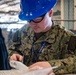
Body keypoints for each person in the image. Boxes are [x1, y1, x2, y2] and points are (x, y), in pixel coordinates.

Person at [8, 0, 76, 74]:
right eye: (29, 20)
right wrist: (13, 56)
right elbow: (13, 49)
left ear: (50, 13)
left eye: (37, 19)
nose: (32, 24)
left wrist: (51, 66)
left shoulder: (67, 38)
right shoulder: (22, 32)